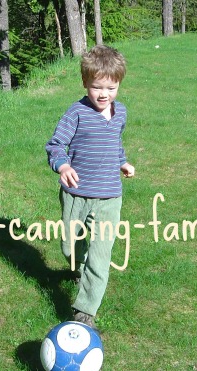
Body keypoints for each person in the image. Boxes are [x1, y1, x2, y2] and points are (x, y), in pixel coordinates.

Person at [45, 45, 135, 332]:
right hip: (76, 195)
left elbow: (115, 143)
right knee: (70, 247)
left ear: (119, 84)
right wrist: (63, 166)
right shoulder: (76, 113)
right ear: (85, 83)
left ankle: (85, 311)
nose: (103, 94)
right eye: (97, 87)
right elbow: (56, 145)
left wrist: (122, 162)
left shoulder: (120, 113)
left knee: (101, 254)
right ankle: (79, 268)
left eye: (110, 87)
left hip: (109, 196)